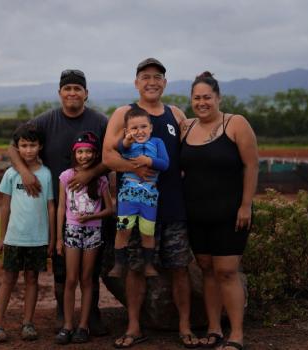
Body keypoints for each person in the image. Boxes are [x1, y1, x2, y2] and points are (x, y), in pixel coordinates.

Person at [103, 58, 199, 348]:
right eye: (146, 77)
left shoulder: (176, 114)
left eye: (158, 77)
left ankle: (185, 327)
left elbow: (190, 153)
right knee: (135, 268)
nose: (152, 81)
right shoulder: (124, 113)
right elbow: (108, 157)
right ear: (136, 83)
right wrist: (134, 168)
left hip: (172, 205)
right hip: (136, 204)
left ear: (165, 83)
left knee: (179, 266)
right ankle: (134, 326)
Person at [7, 69, 110, 335]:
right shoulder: (46, 120)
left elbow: (111, 156)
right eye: (68, 89)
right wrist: (25, 172)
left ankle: (91, 315)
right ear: (60, 93)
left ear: (86, 93)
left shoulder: (100, 121)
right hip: (58, 205)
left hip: (94, 207)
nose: (73, 93)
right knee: (61, 262)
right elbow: (12, 145)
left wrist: (90, 173)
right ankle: (63, 314)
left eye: (78, 88)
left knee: (91, 265)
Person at [180, 71, 258, 350]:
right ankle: (213, 329)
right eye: (197, 97)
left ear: (218, 98)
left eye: (207, 97)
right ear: (191, 100)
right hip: (196, 213)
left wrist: (246, 205)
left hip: (231, 212)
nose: (202, 102)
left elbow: (251, 165)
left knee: (226, 270)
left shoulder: (235, 123)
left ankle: (236, 334)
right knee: (206, 270)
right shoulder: (185, 127)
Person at [0, 122, 55, 343]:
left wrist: (51, 239)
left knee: (32, 280)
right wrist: (2, 236)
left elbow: (51, 208)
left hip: (37, 239)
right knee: (7, 279)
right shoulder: (10, 174)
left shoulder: (46, 175)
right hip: (14, 238)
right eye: (24, 145)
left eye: (32, 145)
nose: (28, 150)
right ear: (17, 148)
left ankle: (28, 323)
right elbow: (5, 207)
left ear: (40, 146)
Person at [54, 131, 114, 344]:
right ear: (74, 154)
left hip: (93, 231)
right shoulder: (66, 176)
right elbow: (61, 207)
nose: (84, 156)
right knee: (71, 279)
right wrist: (59, 239)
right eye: (80, 152)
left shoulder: (100, 180)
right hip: (71, 231)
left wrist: (92, 216)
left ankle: (83, 325)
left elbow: (110, 209)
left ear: (95, 154)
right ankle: (68, 325)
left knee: (87, 279)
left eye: (89, 152)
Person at [108, 106, 169, 278]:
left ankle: (149, 265)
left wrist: (147, 160)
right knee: (123, 229)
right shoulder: (128, 144)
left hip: (149, 197)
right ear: (127, 131)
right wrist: (127, 141)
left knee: (147, 231)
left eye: (143, 127)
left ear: (150, 128)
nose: (139, 131)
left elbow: (165, 164)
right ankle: (119, 264)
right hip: (128, 196)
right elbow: (122, 147)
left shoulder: (157, 143)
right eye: (134, 128)